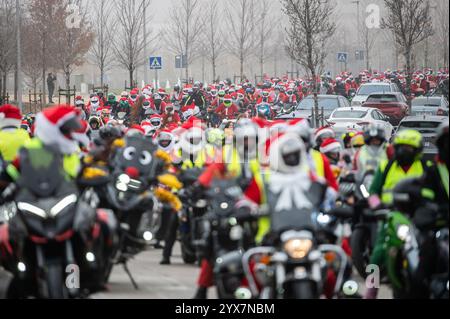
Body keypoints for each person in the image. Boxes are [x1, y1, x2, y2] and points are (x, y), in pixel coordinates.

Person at [365, 129, 432, 299]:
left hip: (421, 219)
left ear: (417, 151)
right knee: (377, 256)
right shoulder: (385, 166)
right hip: (392, 217)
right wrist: (376, 205)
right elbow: (373, 191)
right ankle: (370, 293)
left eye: (409, 148)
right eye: (400, 147)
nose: (404, 152)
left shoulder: (427, 168)